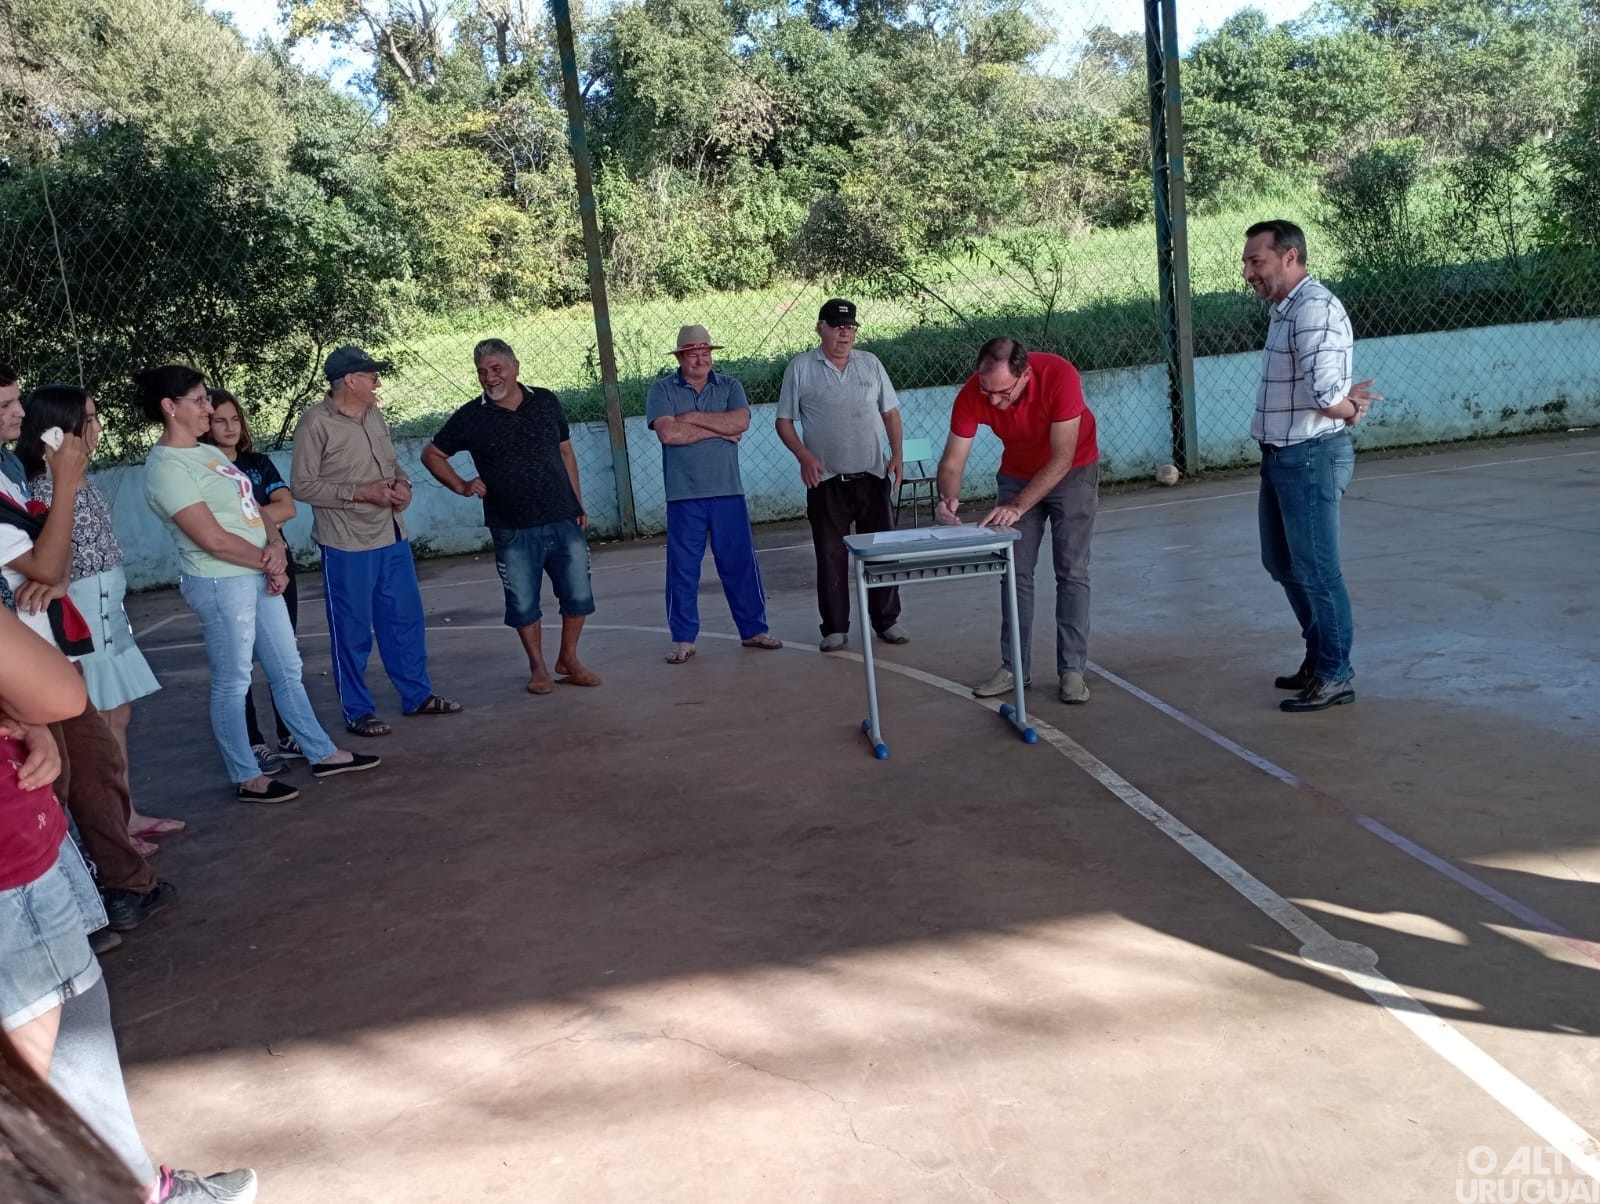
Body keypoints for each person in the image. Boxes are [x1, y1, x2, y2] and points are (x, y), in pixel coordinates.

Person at [0, 603, 261, 1203]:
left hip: (23, 845)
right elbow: (60, 693)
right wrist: (31, 709)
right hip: (11, 865)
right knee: (21, 1091)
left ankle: (138, 1186)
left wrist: (22, 715)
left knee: (77, 1007)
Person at [138, 365, 379, 802]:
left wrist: (276, 547)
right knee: (233, 680)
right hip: (221, 582)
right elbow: (211, 539)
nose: (208, 408)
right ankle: (246, 775)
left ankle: (320, 752)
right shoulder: (167, 467)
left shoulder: (206, 453)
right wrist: (269, 564)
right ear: (169, 407)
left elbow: (254, 507)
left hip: (257, 571)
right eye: (199, 400)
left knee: (287, 668)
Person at [0, 368, 174, 934]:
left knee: (97, 768)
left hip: (49, 650)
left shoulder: (9, 473)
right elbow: (48, 562)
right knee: (48, 783)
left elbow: (55, 567)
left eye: (17, 402)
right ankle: (67, 917)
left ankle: (128, 886)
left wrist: (51, 571)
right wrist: (64, 486)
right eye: (5, 405)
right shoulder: (39, 480)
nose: (19, 413)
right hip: (21, 666)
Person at [1242, 219, 1381, 713]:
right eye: (1246, 262)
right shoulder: (1286, 309)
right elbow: (1323, 386)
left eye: (1256, 261)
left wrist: (1350, 408)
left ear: (1290, 257)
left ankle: (1335, 673)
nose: (1248, 272)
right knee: (1281, 563)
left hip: (1309, 456)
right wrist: (1346, 402)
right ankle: (1321, 657)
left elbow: (1324, 396)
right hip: (1283, 456)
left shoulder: (1313, 308)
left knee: (1317, 570)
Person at [290, 346, 461, 735]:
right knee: (351, 630)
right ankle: (357, 710)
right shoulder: (315, 423)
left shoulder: (373, 414)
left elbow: (392, 464)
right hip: (346, 543)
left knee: (405, 620)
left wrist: (404, 485)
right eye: (371, 377)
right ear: (350, 381)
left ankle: (417, 695)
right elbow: (302, 485)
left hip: (392, 533)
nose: (377, 383)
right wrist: (360, 493)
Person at [421, 339, 603, 693]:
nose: (489, 378)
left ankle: (568, 659)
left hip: (562, 518)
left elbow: (566, 452)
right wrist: (461, 485)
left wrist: (577, 503)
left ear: (516, 366)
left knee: (579, 595)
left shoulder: (546, 401)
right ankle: (538, 668)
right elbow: (432, 454)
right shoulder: (471, 416)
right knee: (523, 602)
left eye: (496, 368)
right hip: (511, 526)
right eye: (482, 372)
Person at [936, 338, 1100, 704]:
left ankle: (1072, 670)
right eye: (986, 391)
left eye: (1003, 393)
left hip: (1073, 470)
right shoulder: (973, 393)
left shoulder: (1060, 376)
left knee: (1072, 570)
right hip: (1017, 473)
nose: (994, 401)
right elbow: (952, 461)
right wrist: (947, 497)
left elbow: (1062, 457)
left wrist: (1018, 506)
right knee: (1014, 571)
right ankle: (1013, 668)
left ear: (1025, 375)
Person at [776, 299, 910, 652]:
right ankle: (834, 628)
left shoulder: (871, 363)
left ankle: (887, 620)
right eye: (837, 327)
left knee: (881, 551)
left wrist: (897, 454)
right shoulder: (801, 367)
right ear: (820, 328)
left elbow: (890, 413)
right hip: (826, 481)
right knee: (830, 555)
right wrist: (804, 456)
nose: (844, 333)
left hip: (873, 475)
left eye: (850, 327)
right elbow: (784, 422)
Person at [644, 325, 783, 664]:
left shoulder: (730, 386)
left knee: (739, 563)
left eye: (706, 353)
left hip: (727, 491)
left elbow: (740, 423)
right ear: (680, 357)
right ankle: (684, 639)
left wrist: (692, 418)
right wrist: (720, 429)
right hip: (684, 495)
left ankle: (753, 630)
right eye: (693, 354)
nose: (701, 360)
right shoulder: (661, 390)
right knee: (683, 569)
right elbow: (669, 434)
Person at [201, 390, 301, 770]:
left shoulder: (258, 463)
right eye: (219, 420)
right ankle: (253, 742)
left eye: (234, 419)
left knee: (284, 656)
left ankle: (289, 734)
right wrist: (260, 519)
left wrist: (244, 520)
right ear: (205, 425)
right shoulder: (203, 467)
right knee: (238, 664)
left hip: (277, 567)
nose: (229, 427)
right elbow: (213, 527)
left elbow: (288, 507)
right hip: (232, 572)